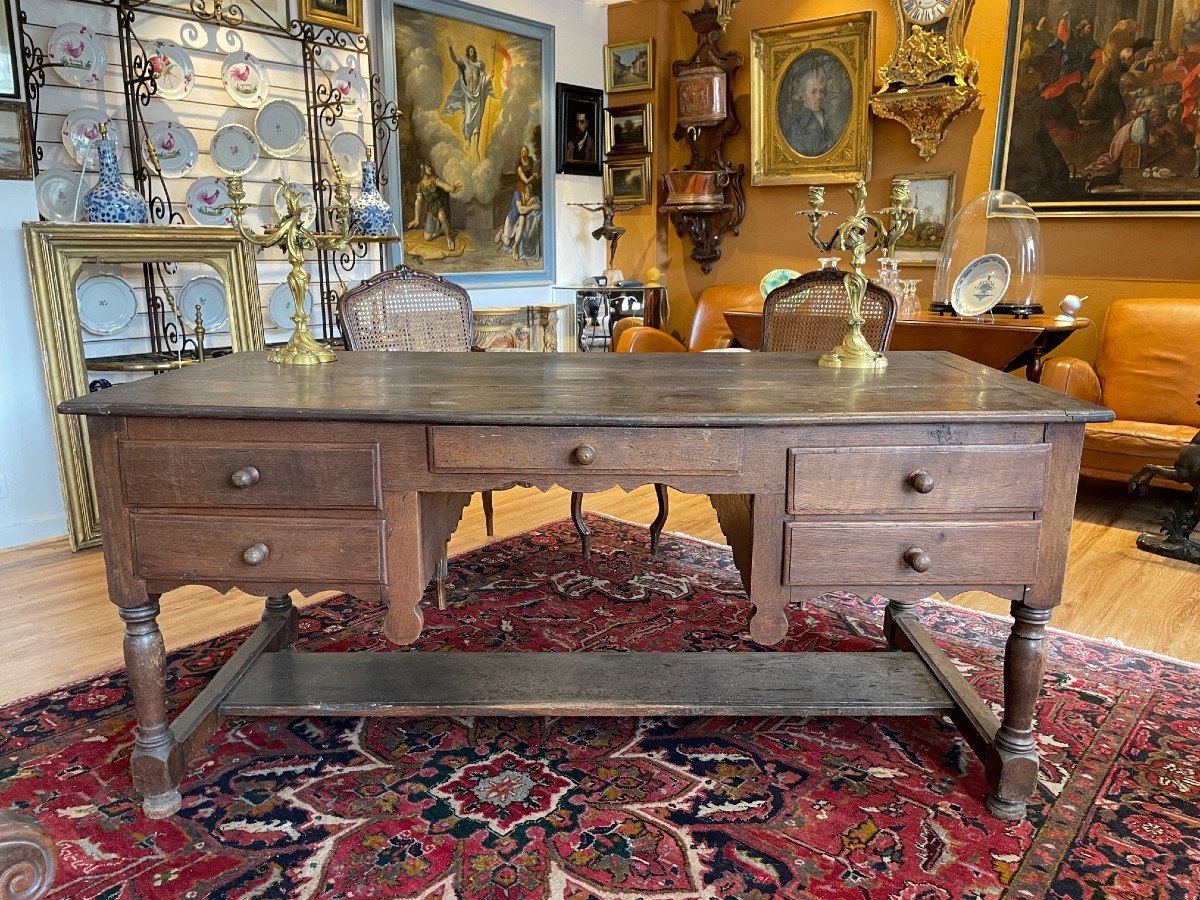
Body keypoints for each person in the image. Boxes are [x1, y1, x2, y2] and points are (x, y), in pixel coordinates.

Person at [443, 40, 495, 159]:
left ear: (474, 53)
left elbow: (482, 82)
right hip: (468, 96)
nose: (471, 52)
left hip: (478, 97)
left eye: (473, 51)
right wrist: (450, 48)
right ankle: (467, 139)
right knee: (468, 121)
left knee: (477, 123)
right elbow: (455, 60)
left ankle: (476, 150)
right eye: (470, 50)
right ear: (468, 52)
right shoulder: (464, 63)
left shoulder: (478, 66)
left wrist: (490, 76)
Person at [570, 195, 638, 270]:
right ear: (606, 200)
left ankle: (611, 260)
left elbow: (625, 208)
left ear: (612, 200)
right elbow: (593, 210)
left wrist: (634, 205)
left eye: (610, 199)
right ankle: (606, 235)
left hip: (612, 227)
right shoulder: (603, 207)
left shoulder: (613, 208)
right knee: (612, 230)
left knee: (621, 233)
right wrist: (583, 206)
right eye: (608, 199)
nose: (609, 201)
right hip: (606, 226)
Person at [408, 163, 463, 251]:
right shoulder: (420, 186)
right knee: (427, 238)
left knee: (442, 218)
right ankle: (442, 231)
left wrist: (452, 189)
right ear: (423, 170)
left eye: (430, 166)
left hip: (438, 205)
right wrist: (416, 218)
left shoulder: (433, 179)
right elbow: (418, 201)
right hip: (430, 209)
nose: (430, 168)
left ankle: (449, 239)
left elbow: (443, 185)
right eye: (427, 167)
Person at [783, 69, 838, 157]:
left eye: (821, 91)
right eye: (813, 92)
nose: (819, 97)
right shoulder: (797, 124)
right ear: (803, 95)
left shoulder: (826, 117)